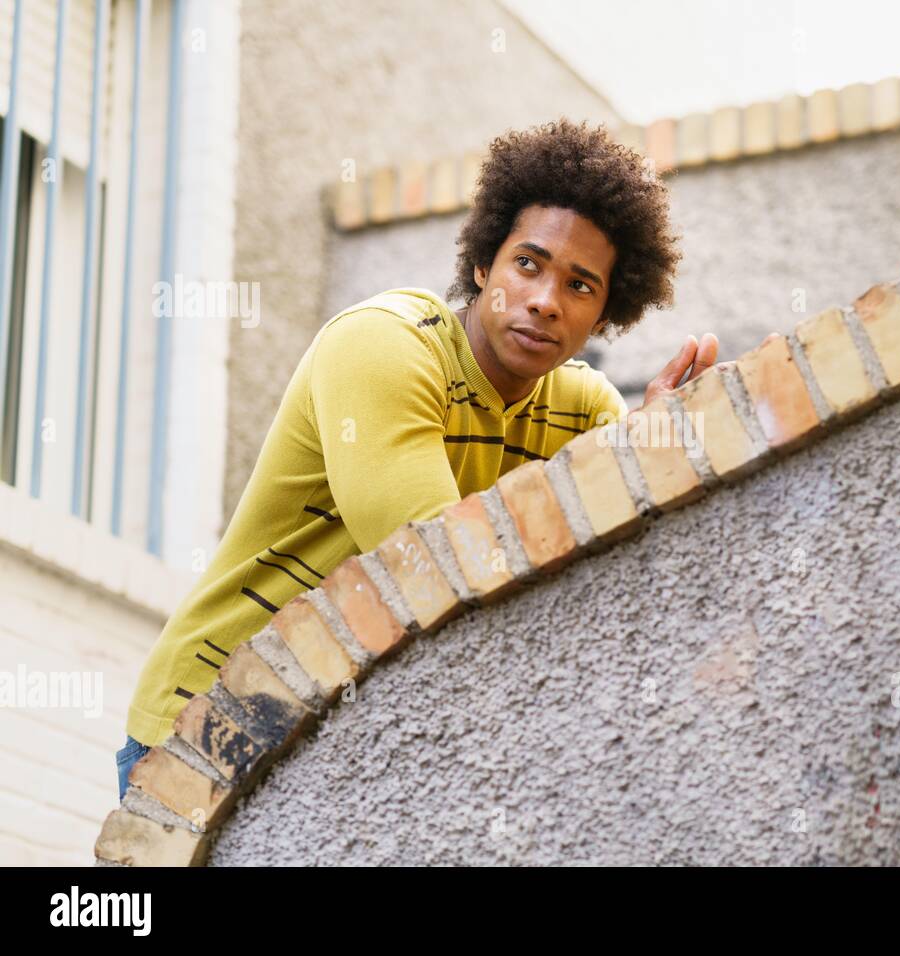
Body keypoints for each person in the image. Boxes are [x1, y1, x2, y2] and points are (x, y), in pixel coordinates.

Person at [116, 118, 721, 799]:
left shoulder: (583, 407)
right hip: (215, 714)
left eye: (581, 286)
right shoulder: (385, 346)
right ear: (482, 265)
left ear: (606, 313)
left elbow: (616, 576)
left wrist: (652, 456)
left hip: (355, 743)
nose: (545, 301)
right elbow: (433, 573)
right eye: (528, 264)